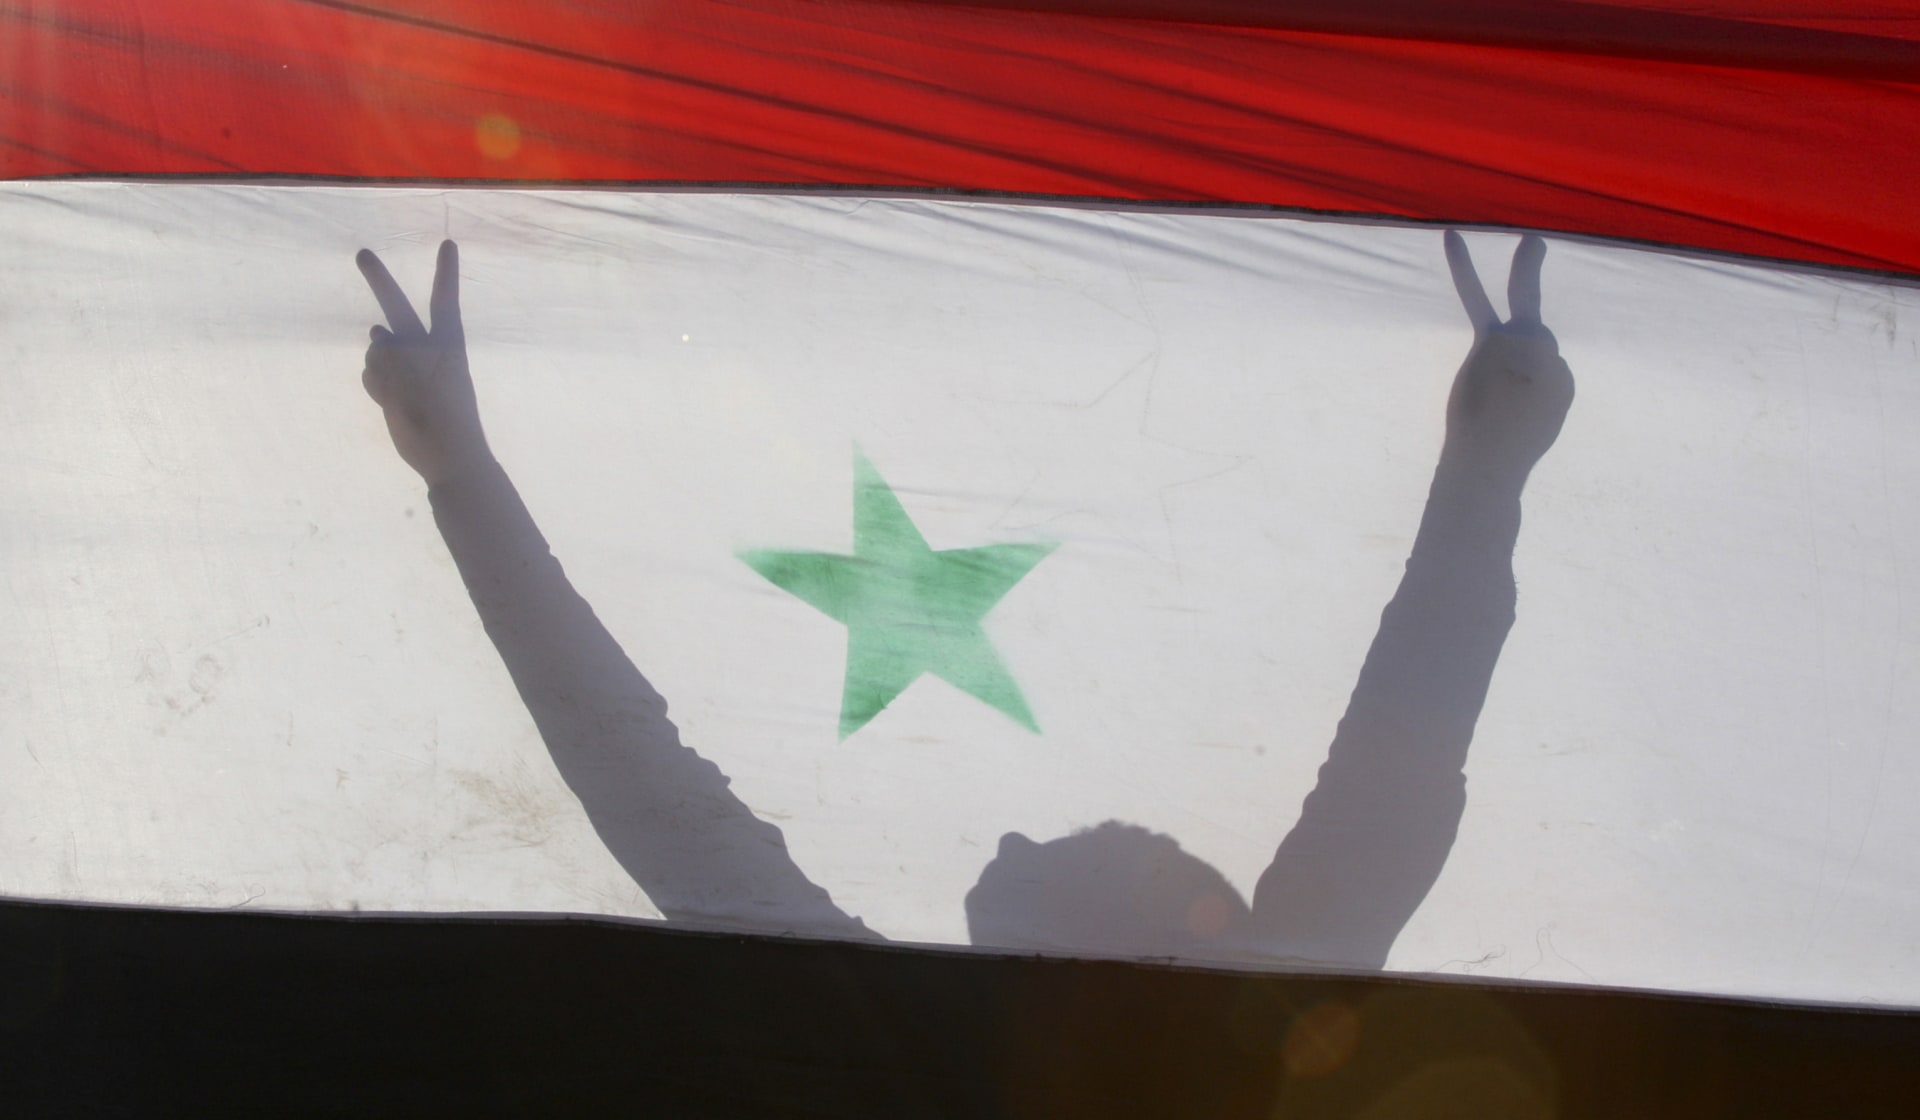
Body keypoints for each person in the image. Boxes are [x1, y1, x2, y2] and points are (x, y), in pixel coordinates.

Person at [356, 227, 1572, 969]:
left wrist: (463, 479)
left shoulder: (894, 1060)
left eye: (1091, 843)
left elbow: (645, 784)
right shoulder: (1259, 1076)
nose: (1005, 833)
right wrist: (1485, 476)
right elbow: (1395, 771)